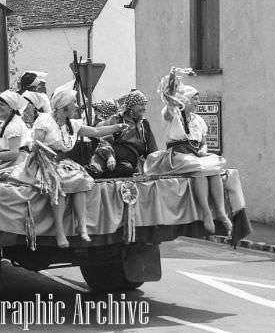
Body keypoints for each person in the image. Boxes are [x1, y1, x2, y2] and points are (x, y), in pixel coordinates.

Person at [22, 81, 129, 248]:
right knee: (59, 185)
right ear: (64, 106)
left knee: (80, 180)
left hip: (61, 162)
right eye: (74, 103)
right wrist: (36, 148)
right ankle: (59, 231)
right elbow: (35, 145)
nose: (77, 106)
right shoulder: (45, 120)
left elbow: (96, 132)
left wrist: (117, 127)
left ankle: (82, 225)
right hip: (43, 162)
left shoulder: (73, 124)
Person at [144, 70, 231, 235]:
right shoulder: (173, 115)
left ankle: (220, 212)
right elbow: (170, 104)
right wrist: (171, 88)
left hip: (194, 155)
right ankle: (206, 212)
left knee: (214, 167)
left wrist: (203, 152)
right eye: (195, 99)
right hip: (177, 155)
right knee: (199, 169)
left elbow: (203, 144)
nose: (198, 102)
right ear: (186, 100)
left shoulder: (199, 120)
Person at [99, 91, 158, 178]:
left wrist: (156, 164)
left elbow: (151, 149)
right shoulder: (117, 119)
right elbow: (105, 139)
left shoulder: (144, 124)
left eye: (145, 105)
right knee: (125, 169)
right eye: (141, 105)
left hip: (132, 162)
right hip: (114, 160)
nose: (144, 108)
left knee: (128, 169)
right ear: (132, 106)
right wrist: (109, 156)